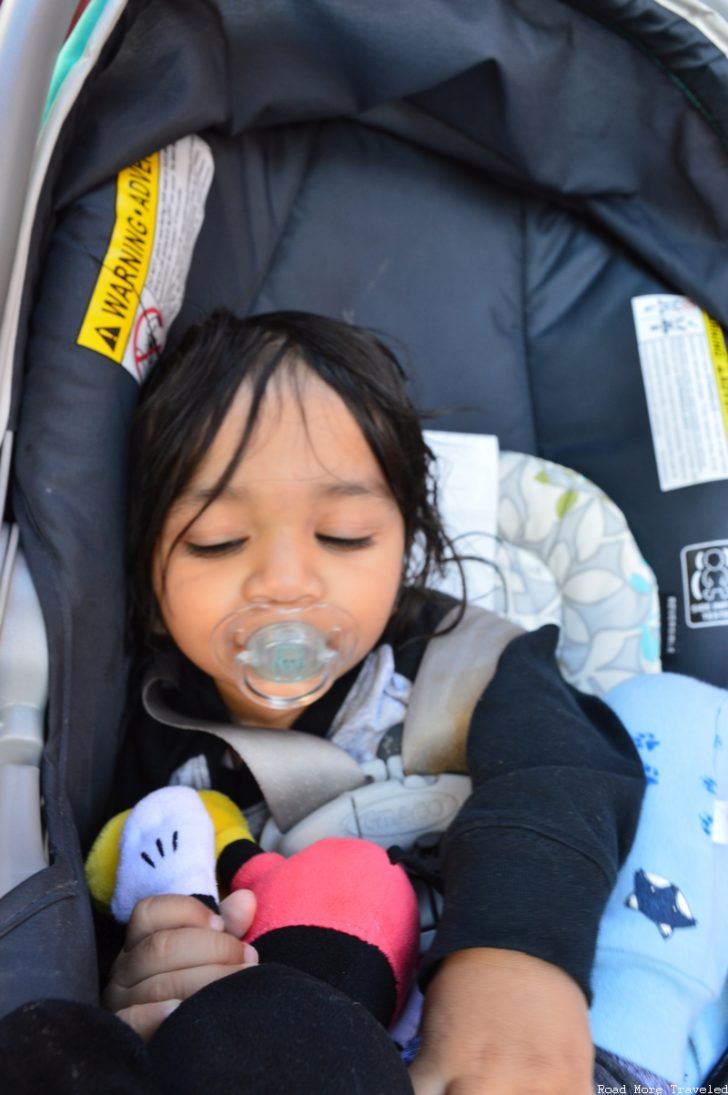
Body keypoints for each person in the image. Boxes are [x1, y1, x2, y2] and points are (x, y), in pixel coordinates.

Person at [2, 309, 647, 1094]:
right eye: (216, 540)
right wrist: (145, 969)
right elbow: (120, 890)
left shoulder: (472, 664)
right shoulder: (144, 740)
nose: (285, 582)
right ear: (145, 566)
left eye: (342, 536)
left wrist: (514, 962)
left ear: (408, 539)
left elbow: (567, 774)